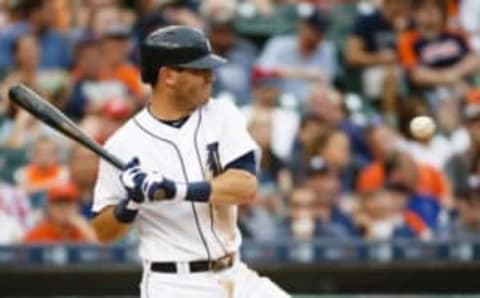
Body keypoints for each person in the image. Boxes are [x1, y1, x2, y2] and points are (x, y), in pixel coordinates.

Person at [91, 26, 289, 298]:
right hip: (174, 284)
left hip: (235, 274)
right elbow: (103, 232)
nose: (210, 76)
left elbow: (245, 186)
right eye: (199, 70)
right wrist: (130, 204)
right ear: (168, 76)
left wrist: (175, 189)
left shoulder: (222, 114)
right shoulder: (124, 144)